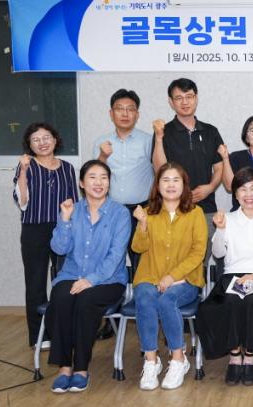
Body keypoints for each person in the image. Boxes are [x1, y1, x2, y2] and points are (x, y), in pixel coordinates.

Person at [45, 160, 130, 393]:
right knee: (61, 298)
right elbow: (59, 248)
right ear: (82, 183)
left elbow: (115, 256)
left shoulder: (120, 213)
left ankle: (81, 368)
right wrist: (64, 219)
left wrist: (90, 280)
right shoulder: (71, 210)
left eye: (104, 177)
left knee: (85, 300)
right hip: (72, 274)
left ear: (109, 182)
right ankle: (64, 368)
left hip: (108, 279)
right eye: (92, 177)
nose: (98, 182)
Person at [197, 168, 253, 386]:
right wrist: (220, 230)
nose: (248, 194)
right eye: (243, 189)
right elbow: (218, 254)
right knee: (230, 301)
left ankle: (251, 355)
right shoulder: (227, 218)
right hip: (232, 278)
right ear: (235, 194)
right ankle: (235, 355)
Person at [131, 163, 208, 391]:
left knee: (167, 300)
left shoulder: (195, 213)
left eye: (176, 180)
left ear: (184, 185)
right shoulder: (148, 212)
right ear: (157, 185)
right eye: (165, 180)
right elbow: (137, 247)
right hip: (150, 275)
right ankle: (151, 361)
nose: (171, 185)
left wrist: (172, 276)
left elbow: (198, 252)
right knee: (144, 297)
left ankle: (178, 359)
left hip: (186, 279)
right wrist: (142, 224)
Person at [92, 88, 154, 340]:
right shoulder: (102, 142)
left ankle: (144, 316)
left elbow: (160, 171)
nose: (125, 113)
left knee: (142, 264)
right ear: (111, 113)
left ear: (137, 114)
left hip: (142, 209)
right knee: (111, 263)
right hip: (113, 211)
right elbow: (94, 177)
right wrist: (103, 156)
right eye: (120, 109)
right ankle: (110, 319)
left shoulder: (148, 140)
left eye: (130, 109)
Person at [13, 123, 79, 349]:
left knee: (64, 280)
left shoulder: (67, 168)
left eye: (46, 137)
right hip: (34, 230)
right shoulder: (26, 166)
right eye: (36, 139)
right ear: (29, 145)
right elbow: (22, 201)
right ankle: (39, 337)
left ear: (55, 140)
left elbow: (74, 202)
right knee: (35, 283)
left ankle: (64, 331)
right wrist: (23, 171)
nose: (42, 142)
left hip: (62, 228)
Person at [151, 78, 223, 259]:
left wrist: (210, 187)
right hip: (173, 209)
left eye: (189, 97)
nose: (185, 102)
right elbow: (160, 169)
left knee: (201, 261)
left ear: (196, 98)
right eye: (179, 98)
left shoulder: (210, 131)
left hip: (206, 209)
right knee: (174, 260)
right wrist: (159, 137)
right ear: (171, 102)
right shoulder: (164, 132)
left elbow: (219, 167)